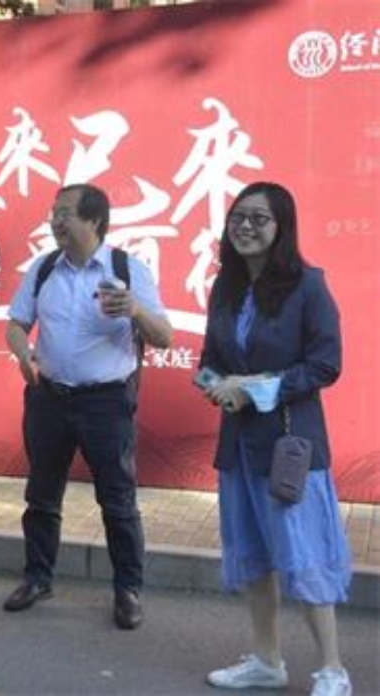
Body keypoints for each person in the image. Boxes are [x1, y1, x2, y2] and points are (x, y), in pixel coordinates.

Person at [199, 182, 353, 696]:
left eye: (258, 218)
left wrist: (252, 388)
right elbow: (209, 363)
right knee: (252, 555)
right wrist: (216, 386)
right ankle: (267, 661)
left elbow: (325, 364)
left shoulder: (308, 286)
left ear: (281, 226)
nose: (245, 226)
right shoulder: (225, 288)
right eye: (238, 217)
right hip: (239, 449)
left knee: (304, 555)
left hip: (290, 448)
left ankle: (332, 670)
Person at [2, 183, 172, 629]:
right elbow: (16, 324)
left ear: (94, 220)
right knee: (41, 496)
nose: (55, 221)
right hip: (48, 398)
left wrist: (135, 310)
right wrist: (23, 353)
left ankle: (127, 590)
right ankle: (37, 578)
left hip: (106, 403)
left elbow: (164, 337)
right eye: (53, 213)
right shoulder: (43, 269)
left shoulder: (127, 269)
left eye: (65, 213)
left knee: (117, 501)